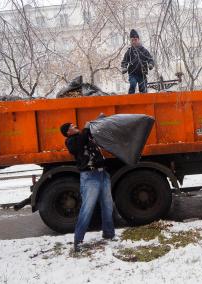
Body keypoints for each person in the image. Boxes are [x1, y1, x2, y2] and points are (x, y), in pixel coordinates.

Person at [60, 122, 115, 252]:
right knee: (87, 209)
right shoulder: (71, 141)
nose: (75, 126)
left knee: (107, 206)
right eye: (72, 127)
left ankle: (109, 234)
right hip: (90, 177)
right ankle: (78, 241)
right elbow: (78, 147)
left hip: (102, 174)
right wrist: (85, 129)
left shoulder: (86, 136)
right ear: (68, 132)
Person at [121, 29, 155, 94]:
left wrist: (150, 64)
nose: (134, 42)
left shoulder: (144, 50)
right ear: (131, 41)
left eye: (135, 40)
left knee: (143, 88)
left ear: (138, 40)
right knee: (133, 84)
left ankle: (144, 100)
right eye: (132, 40)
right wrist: (124, 67)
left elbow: (150, 59)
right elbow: (124, 61)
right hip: (133, 73)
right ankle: (130, 97)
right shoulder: (129, 51)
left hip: (142, 73)